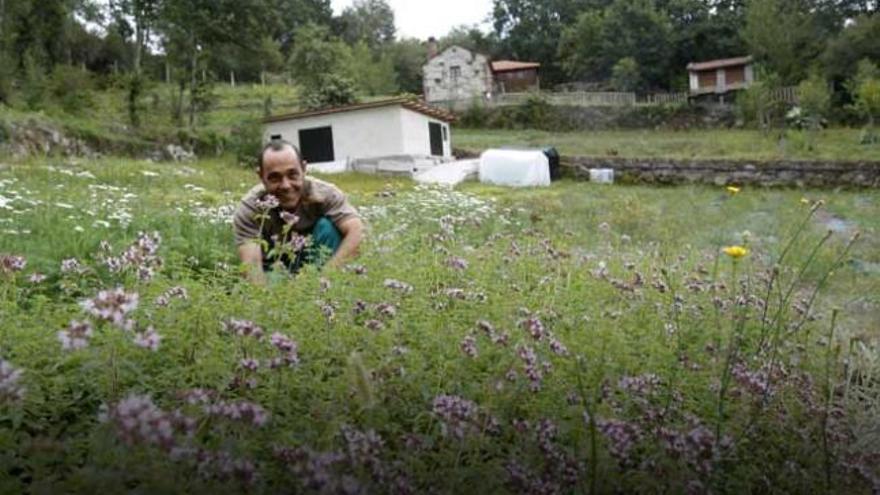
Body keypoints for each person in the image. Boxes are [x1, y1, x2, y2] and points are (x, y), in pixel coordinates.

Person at [233, 139, 364, 284]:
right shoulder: (251, 208)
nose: (285, 185)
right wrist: (267, 303)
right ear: (261, 177)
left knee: (327, 227)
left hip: (317, 264)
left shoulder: (325, 194)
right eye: (275, 177)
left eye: (292, 174)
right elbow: (252, 267)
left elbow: (357, 231)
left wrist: (325, 278)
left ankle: (330, 293)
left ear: (304, 169)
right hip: (273, 270)